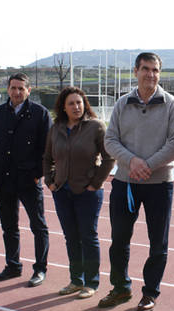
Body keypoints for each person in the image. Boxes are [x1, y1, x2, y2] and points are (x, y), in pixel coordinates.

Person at [101, 52, 174, 311]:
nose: (150, 74)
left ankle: (150, 293)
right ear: (136, 71)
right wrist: (132, 162)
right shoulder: (122, 104)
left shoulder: (171, 104)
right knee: (119, 240)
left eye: (155, 70)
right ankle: (120, 287)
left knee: (158, 243)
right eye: (146, 69)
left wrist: (147, 165)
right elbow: (110, 140)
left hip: (159, 184)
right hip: (126, 182)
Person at [44, 86, 115, 299]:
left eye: (79, 102)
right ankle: (76, 280)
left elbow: (109, 158)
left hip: (87, 192)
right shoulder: (56, 128)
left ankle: (91, 282)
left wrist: (95, 183)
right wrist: (50, 181)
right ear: (63, 108)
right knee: (71, 237)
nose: (76, 107)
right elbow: (47, 157)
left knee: (88, 236)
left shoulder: (95, 127)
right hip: (62, 191)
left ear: (84, 104)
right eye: (71, 103)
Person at [0, 73, 52, 287]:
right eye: (13, 88)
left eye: (21, 88)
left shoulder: (39, 114)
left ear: (29, 90)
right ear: (8, 89)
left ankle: (40, 269)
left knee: (38, 226)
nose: (17, 92)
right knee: (9, 227)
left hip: (28, 180)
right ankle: (13, 266)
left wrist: (36, 174)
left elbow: (48, 150)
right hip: (3, 180)